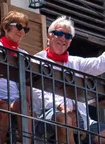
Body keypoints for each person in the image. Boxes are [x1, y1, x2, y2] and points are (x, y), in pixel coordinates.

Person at [33, 16, 105, 144]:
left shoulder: (75, 62)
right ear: (49, 36)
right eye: (59, 33)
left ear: (70, 42)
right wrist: (60, 106)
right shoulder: (37, 60)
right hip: (48, 114)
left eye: (68, 36)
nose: (63, 38)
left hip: (82, 119)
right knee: (65, 120)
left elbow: (100, 64)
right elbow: (35, 92)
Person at [0, 11, 33, 144]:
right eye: (18, 27)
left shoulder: (23, 55)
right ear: (5, 27)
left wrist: (30, 105)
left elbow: (27, 83)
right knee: (3, 106)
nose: (22, 32)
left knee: (23, 105)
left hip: (14, 100)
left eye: (25, 29)